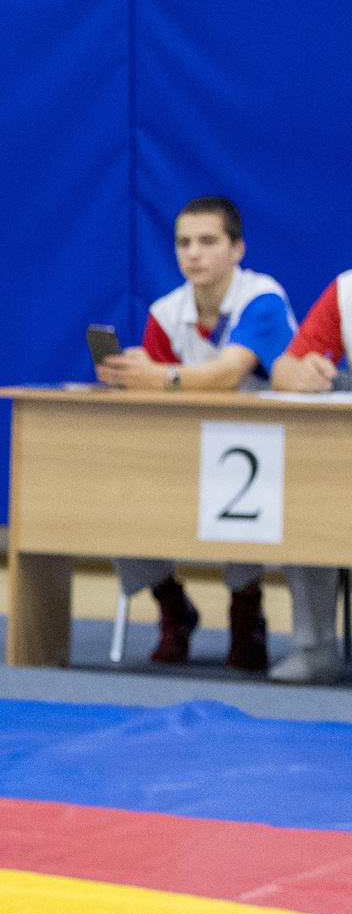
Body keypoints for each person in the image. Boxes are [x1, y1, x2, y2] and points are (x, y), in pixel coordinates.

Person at [96, 197, 296, 671]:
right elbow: (151, 395)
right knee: (116, 489)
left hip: (272, 453)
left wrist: (159, 377)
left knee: (241, 487)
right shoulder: (167, 313)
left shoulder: (262, 299)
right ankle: (170, 603)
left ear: (237, 249)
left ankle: (246, 608)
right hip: (186, 447)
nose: (193, 254)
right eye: (184, 243)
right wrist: (129, 376)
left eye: (208, 241)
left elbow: (229, 373)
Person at [268, 264, 352, 683]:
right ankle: (315, 647)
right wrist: (300, 374)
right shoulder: (346, 291)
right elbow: (283, 368)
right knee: (303, 494)